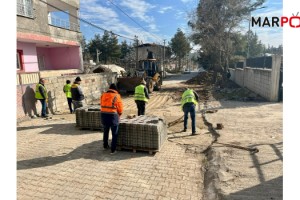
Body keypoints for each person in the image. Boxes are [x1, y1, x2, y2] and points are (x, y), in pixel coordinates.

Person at [100, 83, 123, 154]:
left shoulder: (103, 95)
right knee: (114, 133)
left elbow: (101, 104)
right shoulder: (117, 96)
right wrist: (119, 114)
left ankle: (105, 146)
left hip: (103, 115)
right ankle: (113, 150)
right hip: (113, 116)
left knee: (106, 131)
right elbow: (120, 108)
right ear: (116, 89)